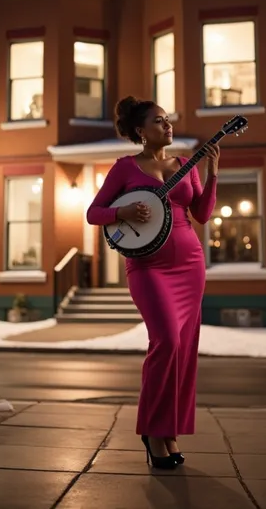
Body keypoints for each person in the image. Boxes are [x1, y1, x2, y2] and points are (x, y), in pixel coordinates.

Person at [86, 96, 219, 469]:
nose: (167, 126)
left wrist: (212, 171)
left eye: (168, 120)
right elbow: (93, 212)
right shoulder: (124, 169)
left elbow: (203, 214)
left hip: (190, 264)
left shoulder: (184, 165)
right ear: (140, 131)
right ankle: (151, 429)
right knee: (166, 341)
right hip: (147, 267)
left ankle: (169, 431)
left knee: (184, 349)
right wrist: (122, 211)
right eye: (158, 122)